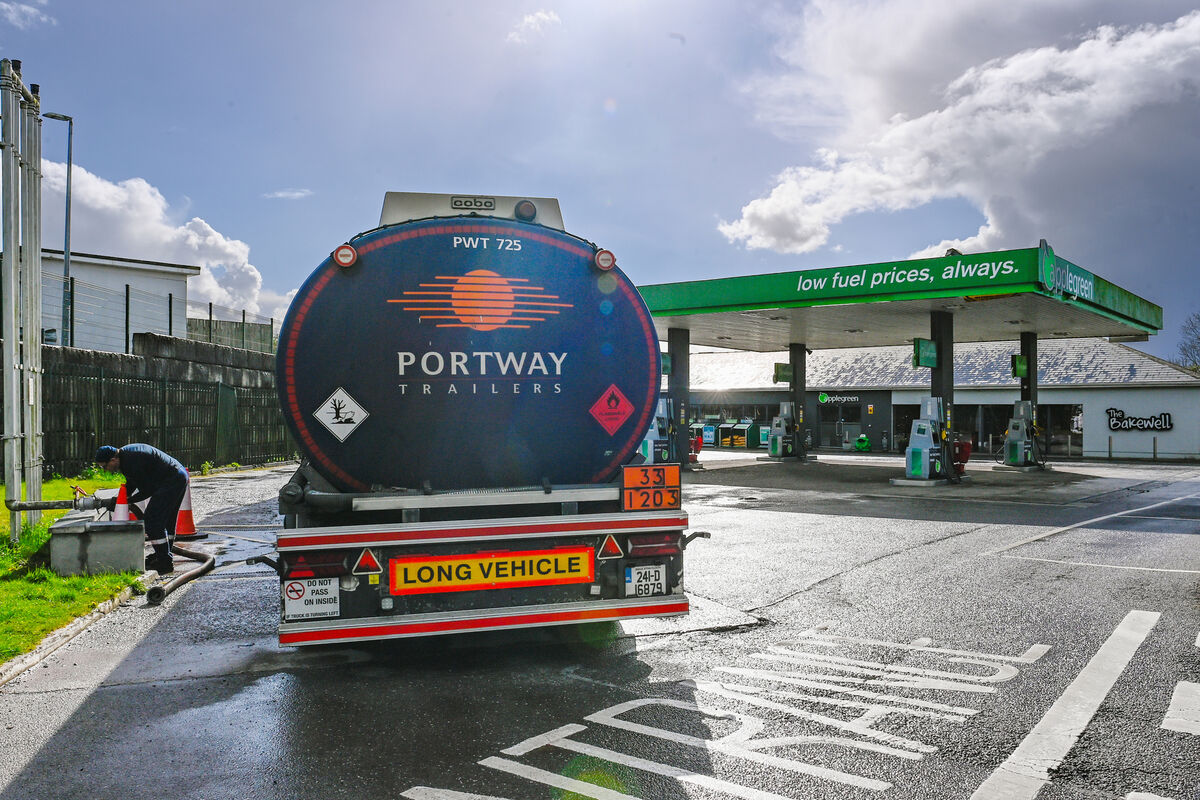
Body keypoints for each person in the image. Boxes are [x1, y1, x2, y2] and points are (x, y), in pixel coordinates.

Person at [95, 444, 188, 574]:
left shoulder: (131, 461)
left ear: (113, 459)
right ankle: (162, 555)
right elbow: (133, 482)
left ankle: (164, 562)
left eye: (105, 466)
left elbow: (147, 490)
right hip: (178, 475)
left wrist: (127, 501)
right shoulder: (126, 456)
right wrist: (122, 497)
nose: (106, 470)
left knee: (152, 521)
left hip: (172, 480)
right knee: (167, 521)